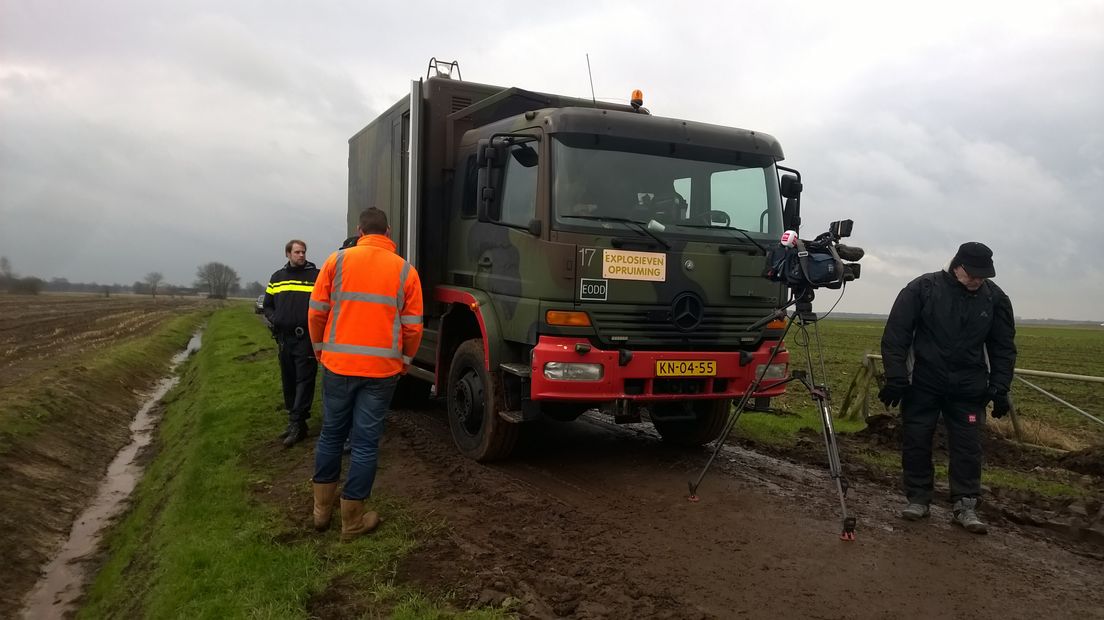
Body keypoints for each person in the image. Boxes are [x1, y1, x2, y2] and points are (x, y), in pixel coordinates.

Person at [879, 241, 1016, 534]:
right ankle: (918, 499)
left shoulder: (994, 299)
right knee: (917, 439)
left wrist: (1000, 386)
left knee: (968, 446)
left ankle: (965, 505)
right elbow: (896, 336)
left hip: (969, 388)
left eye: (984, 275)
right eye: (973, 274)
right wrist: (896, 377)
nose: (978, 280)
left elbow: (1003, 346)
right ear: (957, 266)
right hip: (923, 384)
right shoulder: (922, 289)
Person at [307, 208, 423, 539]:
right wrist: (404, 360)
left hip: (337, 365)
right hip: (382, 370)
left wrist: (320, 350)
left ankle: (320, 513)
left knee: (330, 434)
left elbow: (316, 313)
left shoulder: (337, 261)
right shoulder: (405, 270)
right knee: (365, 443)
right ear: (388, 232)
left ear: (359, 231)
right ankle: (352, 521)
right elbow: (413, 326)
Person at [263, 239, 320, 448]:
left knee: (304, 380)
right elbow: (267, 305)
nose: (301, 255)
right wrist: (274, 318)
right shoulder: (277, 278)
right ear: (287, 254)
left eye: (303, 252)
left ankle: (297, 423)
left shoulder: (316, 276)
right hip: (284, 339)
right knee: (289, 380)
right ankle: (294, 421)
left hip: (305, 338)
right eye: (297, 252)